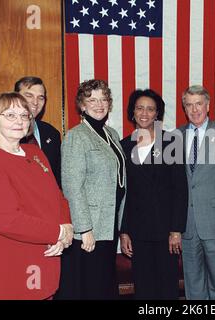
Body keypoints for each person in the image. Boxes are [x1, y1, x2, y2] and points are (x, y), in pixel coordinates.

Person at [0, 92, 72, 300]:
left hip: (44, 257)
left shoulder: (36, 153)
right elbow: (7, 220)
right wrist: (56, 232)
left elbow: (58, 196)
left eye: (24, 115)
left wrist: (66, 226)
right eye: (10, 115)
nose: (19, 121)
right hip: (6, 263)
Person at [56, 79, 126, 300]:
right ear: (82, 105)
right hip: (90, 228)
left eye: (103, 99)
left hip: (109, 223)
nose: (99, 104)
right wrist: (84, 229)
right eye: (92, 100)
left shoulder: (112, 134)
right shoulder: (76, 136)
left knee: (104, 283)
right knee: (90, 286)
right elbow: (72, 187)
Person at [119, 89, 188, 299]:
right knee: (144, 287)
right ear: (132, 112)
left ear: (157, 113)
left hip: (166, 231)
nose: (144, 113)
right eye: (140, 108)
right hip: (138, 232)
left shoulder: (171, 142)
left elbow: (180, 189)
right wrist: (124, 232)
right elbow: (125, 195)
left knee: (166, 287)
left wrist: (176, 230)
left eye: (150, 109)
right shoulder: (124, 145)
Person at [179, 85, 215, 300]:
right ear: (184, 108)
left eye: (199, 104)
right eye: (189, 105)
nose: (195, 110)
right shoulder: (175, 136)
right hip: (187, 223)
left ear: (208, 106)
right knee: (193, 283)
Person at [0, 76, 62, 187]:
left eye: (41, 98)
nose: (35, 102)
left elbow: (56, 179)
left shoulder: (52, 134)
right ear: (15, 97)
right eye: (29, 96)